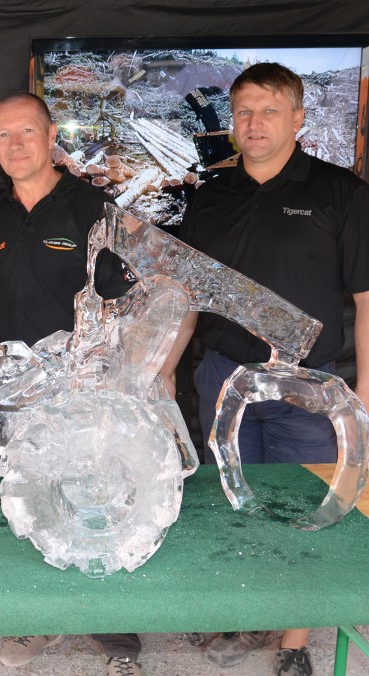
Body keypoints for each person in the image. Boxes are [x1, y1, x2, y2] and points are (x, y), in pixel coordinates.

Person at [160, 63, 369, 676]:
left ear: (298, 119)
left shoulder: (341, 194)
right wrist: (163, 373)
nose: (254, 123)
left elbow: (366, 300)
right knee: (230, 500)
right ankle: (235, 610)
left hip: (308, 387)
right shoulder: (210, 196)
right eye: (244, 111)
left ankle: (293, 643)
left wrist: (366, 392)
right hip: (222, 377)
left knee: (306, 510)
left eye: (269, 110)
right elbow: (185, 299)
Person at [0, 92, 141, 676]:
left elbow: (125, 304)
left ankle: (111, 626)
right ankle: (36, 617)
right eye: (2, 135)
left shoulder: (93, 208)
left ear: (50, 134)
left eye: (27, 131)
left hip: (80, 388)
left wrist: (116, 384)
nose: (15, 144)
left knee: (90, 497)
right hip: (8, 389)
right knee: (25, 500)